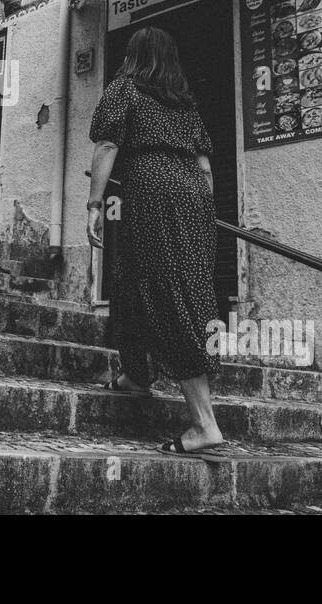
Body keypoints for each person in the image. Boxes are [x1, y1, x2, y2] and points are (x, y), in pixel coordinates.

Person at [86, 26, 224, 454]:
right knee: (133, 280)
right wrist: (204, 211)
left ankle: (204, 424)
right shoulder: (182, 103)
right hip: (193, 195)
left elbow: (108, 143)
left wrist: (94, 203)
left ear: (133, 54)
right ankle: (136, 373)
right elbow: (203, 165)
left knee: (168, 291)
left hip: (150, 192)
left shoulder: (124, 89)